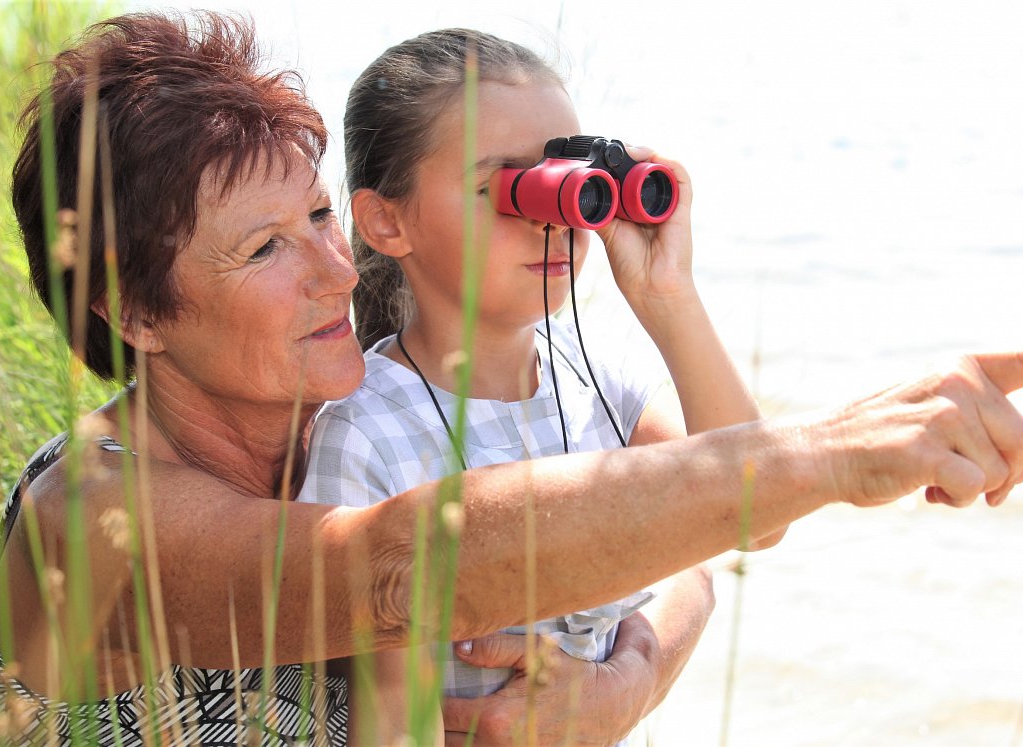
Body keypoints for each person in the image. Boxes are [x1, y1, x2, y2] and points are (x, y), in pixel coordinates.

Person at [0, 8, 1023, 747]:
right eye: (265, 248)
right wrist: (825, 452)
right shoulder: (88, 522)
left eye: (322, 214)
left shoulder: (345, 410)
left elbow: (685, 558)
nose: (334, 269)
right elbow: (403, 566)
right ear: (133, 311)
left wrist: (624, 682)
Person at [297, 27, 784, 741]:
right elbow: (395, 719)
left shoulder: (596, 386)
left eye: (567, 181)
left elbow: (756, 514)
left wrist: (666, 294)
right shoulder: (366, 433)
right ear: (386, 220)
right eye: (503, 187)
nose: (547, 219)